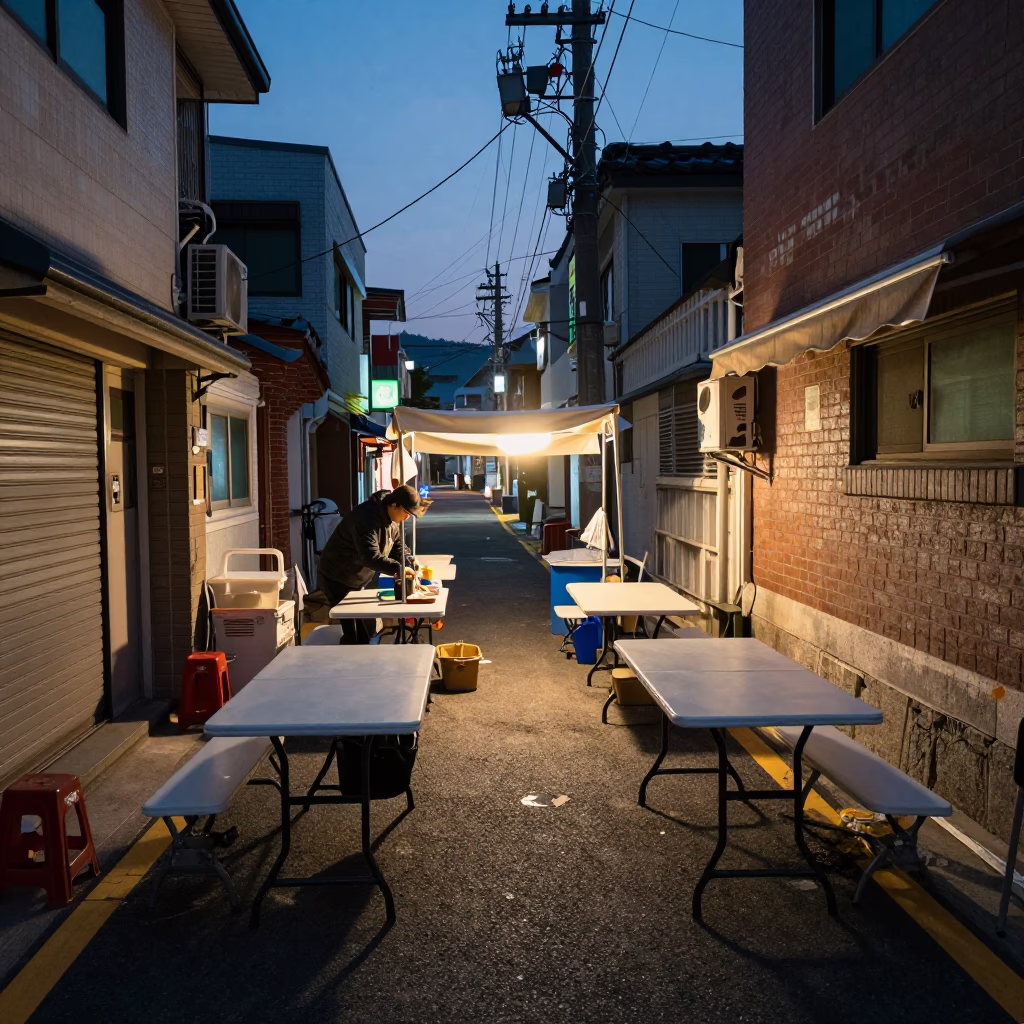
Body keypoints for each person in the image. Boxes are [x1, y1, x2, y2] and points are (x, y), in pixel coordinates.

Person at [318, 484, 422, 644]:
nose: (407, 518)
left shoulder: (390, 518)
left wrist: (409, 561)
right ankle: (347, 664)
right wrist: (399, 569)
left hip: (357, 577)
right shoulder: (365, 518)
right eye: (406, 513)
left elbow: (397, 546)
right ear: (394, 505)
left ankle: (361, 660)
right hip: (337, 576)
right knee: (352, 632)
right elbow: (370, 557)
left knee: (365, 630)